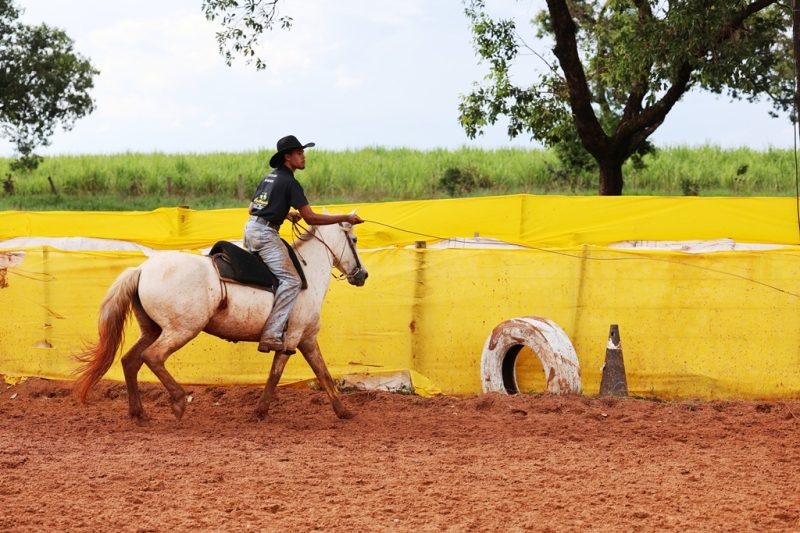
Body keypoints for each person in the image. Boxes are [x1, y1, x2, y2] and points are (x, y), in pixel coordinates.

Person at [244, 135, 364, 354]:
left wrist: (285, 213)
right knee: (292, 280)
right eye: (299, 153)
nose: (303, 157)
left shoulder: (269, 178)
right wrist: (344, 217)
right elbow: (310, 218)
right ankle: (271, 333)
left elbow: (252, 209)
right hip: (265, 234)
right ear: (287, 157)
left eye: (303, 153)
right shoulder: (290, 182)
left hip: (251, 230)